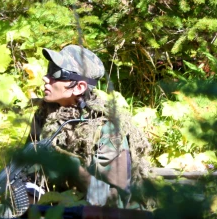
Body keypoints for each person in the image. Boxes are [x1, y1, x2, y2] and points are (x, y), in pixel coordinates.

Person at [27, 45, 151, 208]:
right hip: (59, 205)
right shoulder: (45, 115)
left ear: (79, 87)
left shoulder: (106, 127)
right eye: (49, 69)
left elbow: (113, 199)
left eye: (56, 73)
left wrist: (67, 165)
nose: (46, 78)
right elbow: (29, 171)